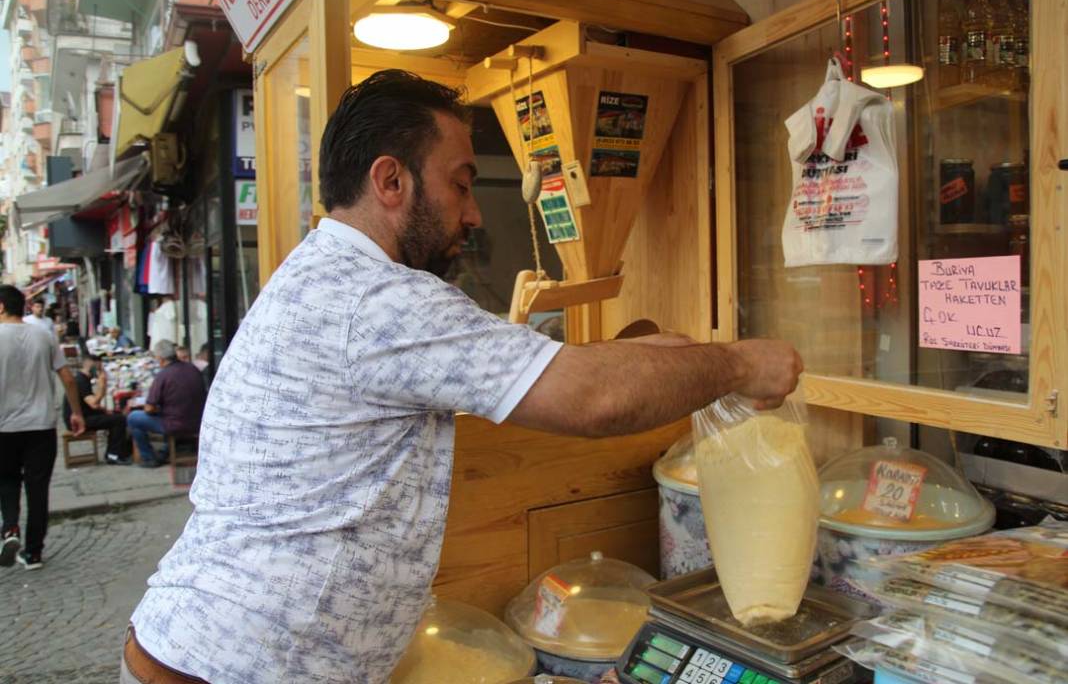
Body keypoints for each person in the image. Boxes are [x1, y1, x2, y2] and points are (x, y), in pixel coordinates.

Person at [124, 70, 802, 683]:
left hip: (209, 654)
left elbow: (541, 360)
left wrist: (675, 355)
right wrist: (740, 363)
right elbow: (592, 398)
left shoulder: (332, 279)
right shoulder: (376, 299)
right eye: (461, 182)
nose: (473, 212)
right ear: (391, 181)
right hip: (224, 668)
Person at [0, 285, 85, 571]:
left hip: (4, 427)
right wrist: (76, 413)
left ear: (1, 306)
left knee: (7, 480)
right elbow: (68, 379)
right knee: (38, 489)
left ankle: (10, 528)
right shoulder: (44, 335)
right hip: (41, 426)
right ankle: (33, 553)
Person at [126, 340, 207, 468]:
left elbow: (149, 408)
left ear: (160, 359)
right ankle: (165, 451)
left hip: (175, 424)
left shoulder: (163, 375)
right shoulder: (192, 369)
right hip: (198, 421)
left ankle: (149, 457)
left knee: (133, 418)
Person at [63, 354, 132, 465]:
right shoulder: (81, 381)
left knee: (116, 415)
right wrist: (102, 384)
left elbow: (91, 404)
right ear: (92, 367)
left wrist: (104, 410)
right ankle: (113, 455)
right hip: (78, 420)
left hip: (84, 415)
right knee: (119, 420)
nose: (101, 371)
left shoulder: (83, 379)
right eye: (99, 368)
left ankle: (120, 451)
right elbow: (94, 403)